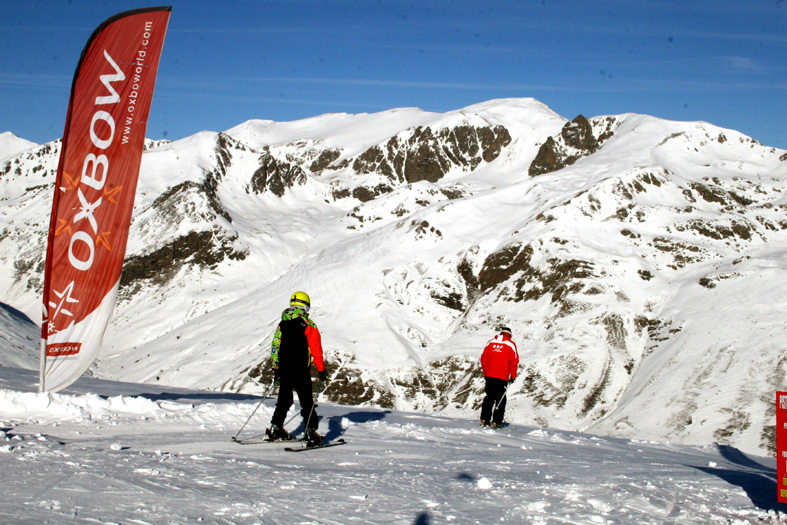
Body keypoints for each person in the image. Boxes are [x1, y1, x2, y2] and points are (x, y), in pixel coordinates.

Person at [266, 291, 328, 445]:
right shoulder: (309, 325)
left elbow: (275, 346)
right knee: (307, 402)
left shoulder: (282, 323)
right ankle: (310, 432)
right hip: (301, 369)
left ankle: (276, 427)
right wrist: (321, 369)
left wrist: (276, 367)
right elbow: (316, 350)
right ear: (306, 306)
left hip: (285, 369)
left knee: (284, 400)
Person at [480, 326, 519, 429]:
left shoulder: (490, 342)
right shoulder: (510, 344)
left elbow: (484, 358)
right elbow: (514, 361)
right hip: (502, 376)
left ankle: (484, 419)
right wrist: (513, 376)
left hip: (489, 375)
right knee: (500, 399)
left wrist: (486, 372)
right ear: (509, 335)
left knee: (489, 397)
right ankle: (496, 422)